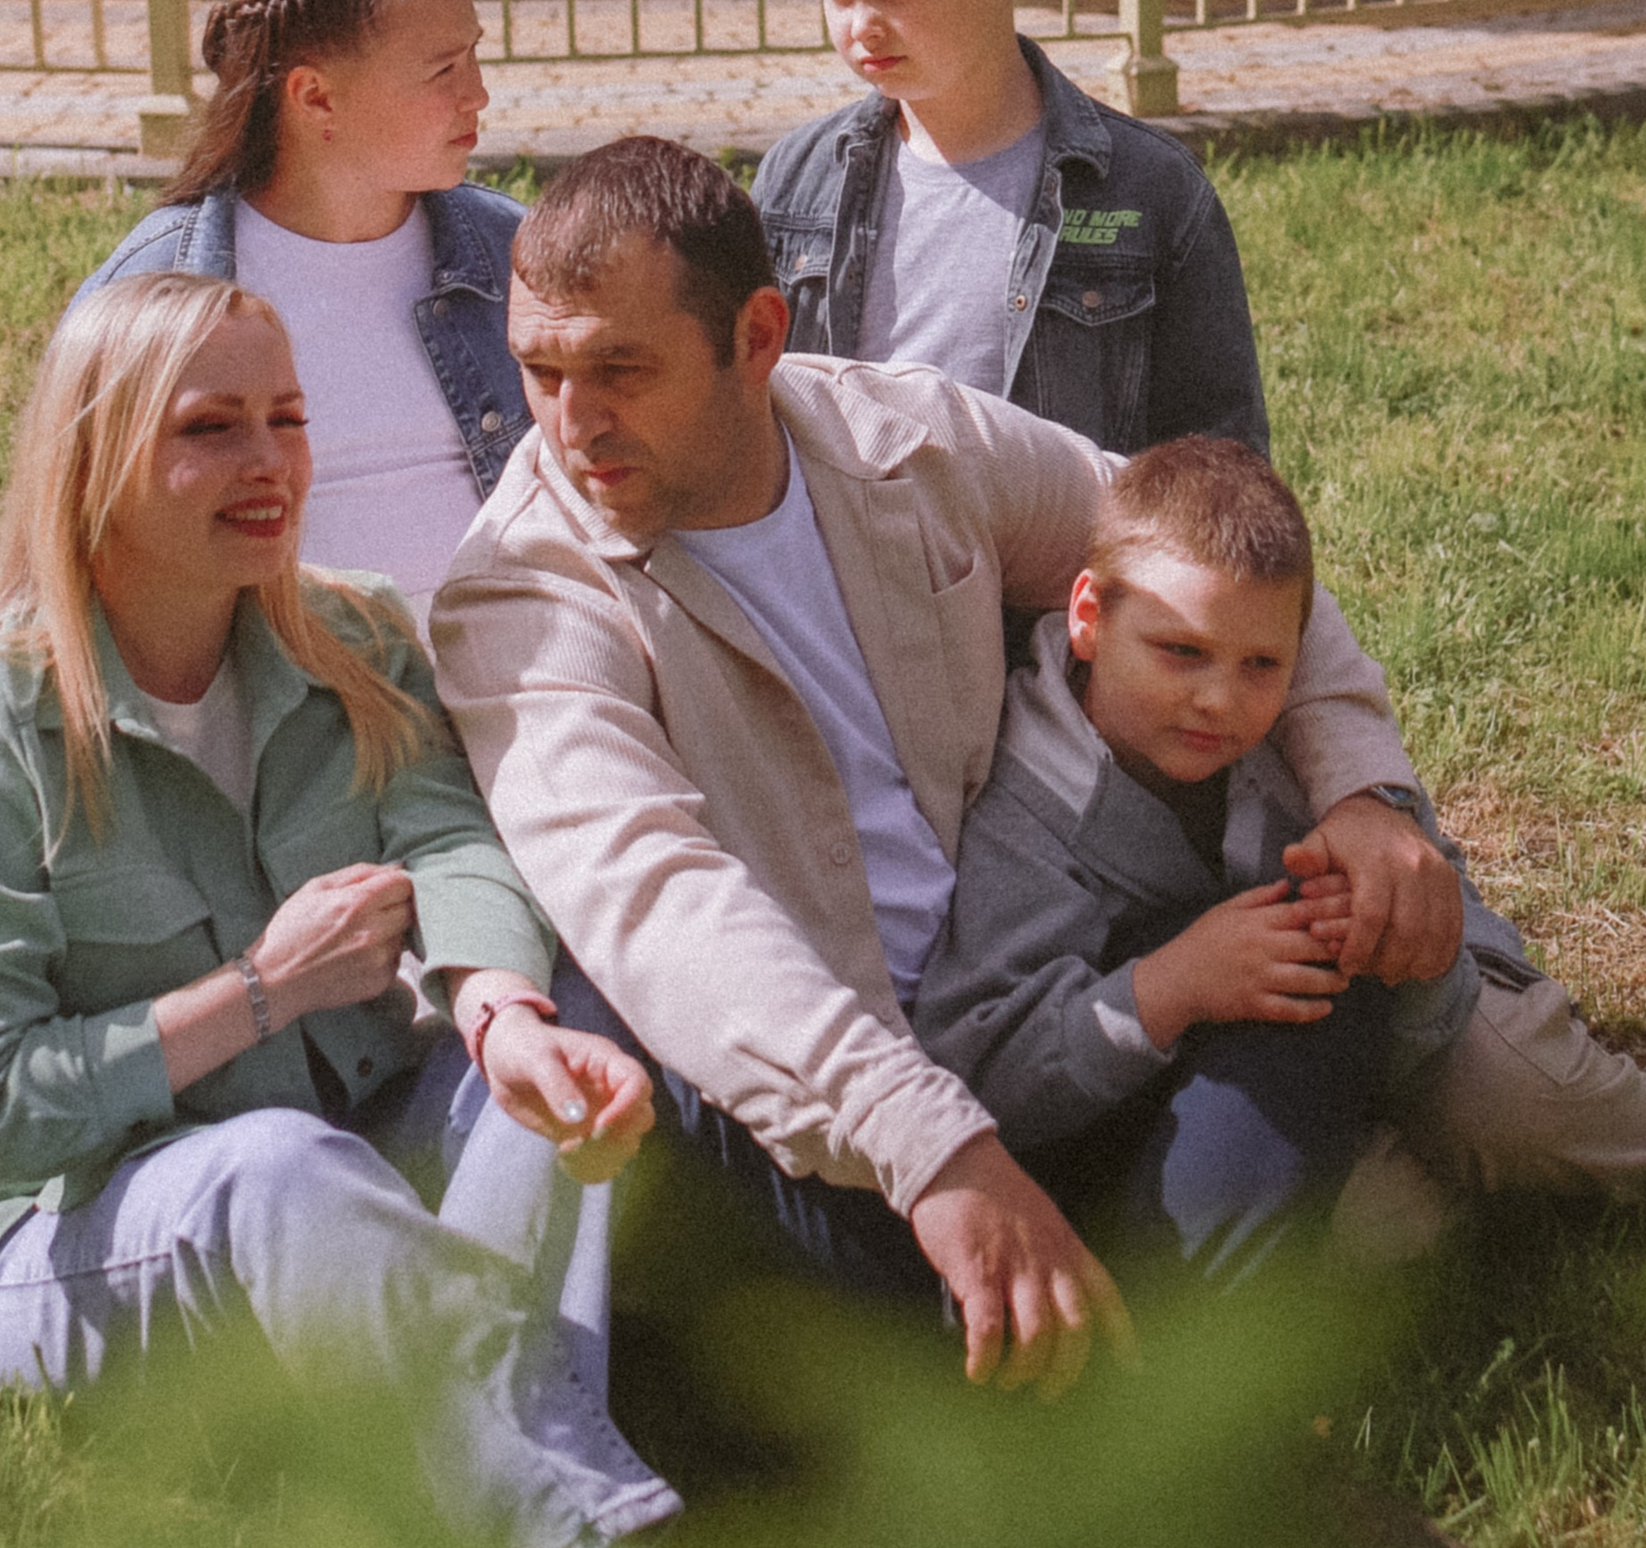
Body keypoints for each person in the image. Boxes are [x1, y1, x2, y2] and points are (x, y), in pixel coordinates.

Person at [428, 138, 1465, 1401]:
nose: (569, 421)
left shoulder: (905, 437)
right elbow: (661, 906)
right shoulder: (521, 596)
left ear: (757, 336)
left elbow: (1196, 549)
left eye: (619, 370)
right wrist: (939, 1154)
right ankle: (1161, 1416)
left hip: (1056, 996)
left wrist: (1364, 790)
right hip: (833, 1133)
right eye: (538, 371)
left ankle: (1122, 1403)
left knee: (1318, 958)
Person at [0, 271, 719, 1548]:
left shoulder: (351, 638)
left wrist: (507, 1015)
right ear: (96, 455)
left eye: (287, 416)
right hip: (78, 1240)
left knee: (558, 1050)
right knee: (269, 1161)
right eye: (210, 428)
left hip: (343, 1163)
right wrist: (257, 991)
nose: (271, 462)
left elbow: (454, 844)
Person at [914, 438, 1646, 1237]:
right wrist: (1171, 986)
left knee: (1521, 1103)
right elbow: (981, 1071)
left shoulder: (1291, 747)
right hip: (1196, 1080)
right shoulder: (1024, 814)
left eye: (1262, 664)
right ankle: (1489, 1195)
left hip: (1413, 1013)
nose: (1218, 698)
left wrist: (1403, 950)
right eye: (1180, 653)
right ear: (1087, 616)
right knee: (1379, 1237)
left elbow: (1419, 917)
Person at [752, 0, 1267, 456]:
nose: (862, 27)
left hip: (1062, 557)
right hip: (852, 559)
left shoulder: (1150, 192)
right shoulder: (796, 183)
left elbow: (1222, 465)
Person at [81, 0, 524, 628]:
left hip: (513, 678)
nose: (477, 95)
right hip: (283, 707)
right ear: (315, 97)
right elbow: (77, 535)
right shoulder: (162, 283)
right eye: (444, 70)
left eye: (474, 57)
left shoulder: (514, 252)